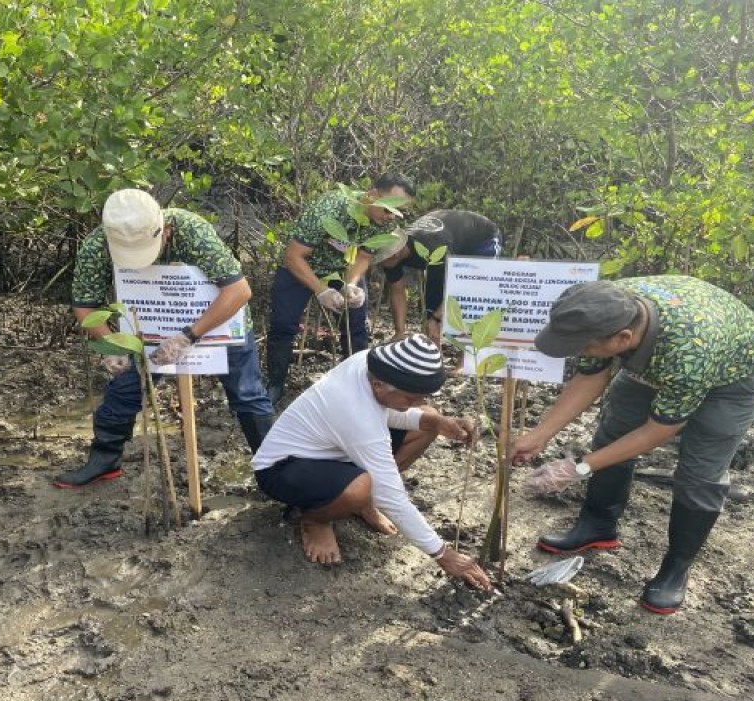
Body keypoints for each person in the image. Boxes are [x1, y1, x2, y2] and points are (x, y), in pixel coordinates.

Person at [507, 277, 754, 614]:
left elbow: (658, 430)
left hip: (735, 372)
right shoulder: (604, 306)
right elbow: (590, 376)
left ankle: (675, 568)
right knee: (614, 430)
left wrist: (576, 468)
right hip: (670, 354)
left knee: (700, 472)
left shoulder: (687, 350)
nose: (579, 352)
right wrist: (539, 434)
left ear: (623, 339)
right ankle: (598, 525)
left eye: (584, 346)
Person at [55, 189, 275, 488]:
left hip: (218, 321)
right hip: (147, 327)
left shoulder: (192, 230)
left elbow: (238, 291)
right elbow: (85, 305)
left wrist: (187, 337)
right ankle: (104, 461)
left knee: (247, 395)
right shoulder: (98, 244)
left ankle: (273, 467)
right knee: (123, 389)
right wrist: (111, 345)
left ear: (165, 231)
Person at [253, 334, 492, 590]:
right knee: (361, 487)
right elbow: (392, 494)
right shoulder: (354, 410)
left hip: (337, 450)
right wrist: (443, 554)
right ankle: (315, 520)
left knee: (429, 418)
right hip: (283, 468)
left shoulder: (370, 365)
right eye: (412, 398)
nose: (419, 403)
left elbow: (387, 411)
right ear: (379, 385)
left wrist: (438, 422)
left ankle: (363, 502)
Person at [264, 174, 417, 406]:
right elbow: (293, 256)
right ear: (372, 195)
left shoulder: (387, 221)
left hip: (339, 270)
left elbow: (364, 255)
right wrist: (320, 290)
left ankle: (358, 386)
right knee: (283, 326)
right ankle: (275, 384)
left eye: (398, 212)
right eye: (387, 210)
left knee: (356, 326)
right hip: (300, 268)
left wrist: (352, 284)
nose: (391, 217)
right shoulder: (330, 209)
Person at [379, 209, 503, 345]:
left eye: (381, 259)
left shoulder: (433, 247)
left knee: (472, 297)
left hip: (481, 237)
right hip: (449, 240)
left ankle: (464, 362)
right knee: (431, 306)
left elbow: (459, 289)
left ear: (395, 255)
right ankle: (433, 356)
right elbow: (397, 290)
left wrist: (436, 318)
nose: (379, 262)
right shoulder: (390, 251)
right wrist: (399, 333)